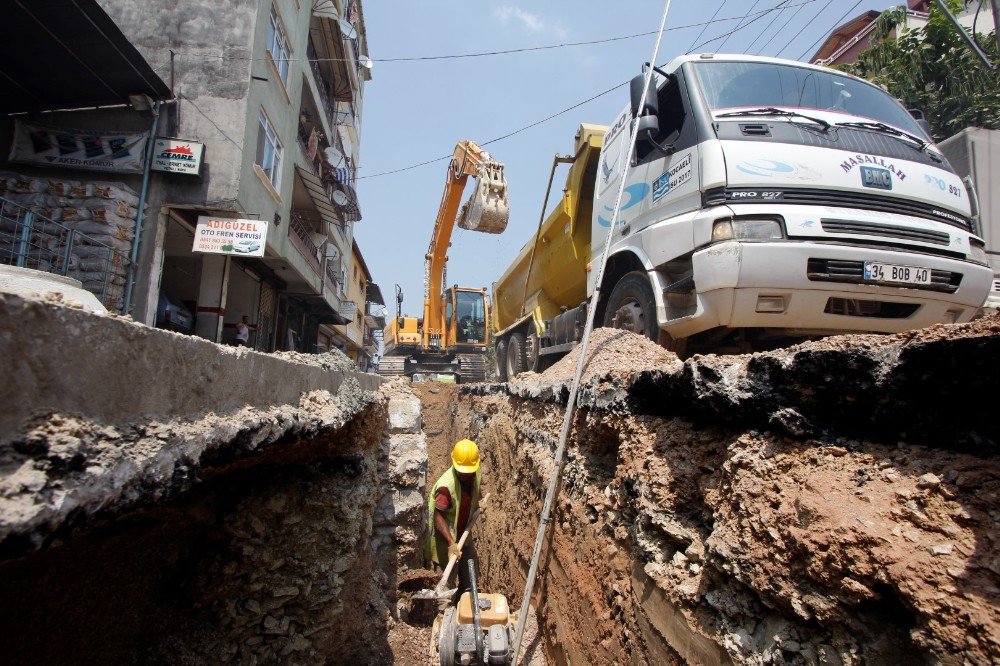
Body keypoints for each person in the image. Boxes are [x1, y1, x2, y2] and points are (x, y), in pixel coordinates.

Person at [425, 439, 482, 596]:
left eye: (469, 472)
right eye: (463, 472)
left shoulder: (474, 472)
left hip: (464, 535)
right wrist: (451, 543)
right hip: (445, 541)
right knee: (445, 585)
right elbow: (438, 515)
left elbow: (474, 492)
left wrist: (480, 502)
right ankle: (444, 613)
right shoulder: (445, 486)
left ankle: (466, 600)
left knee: (471, 579)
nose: (466, 475)